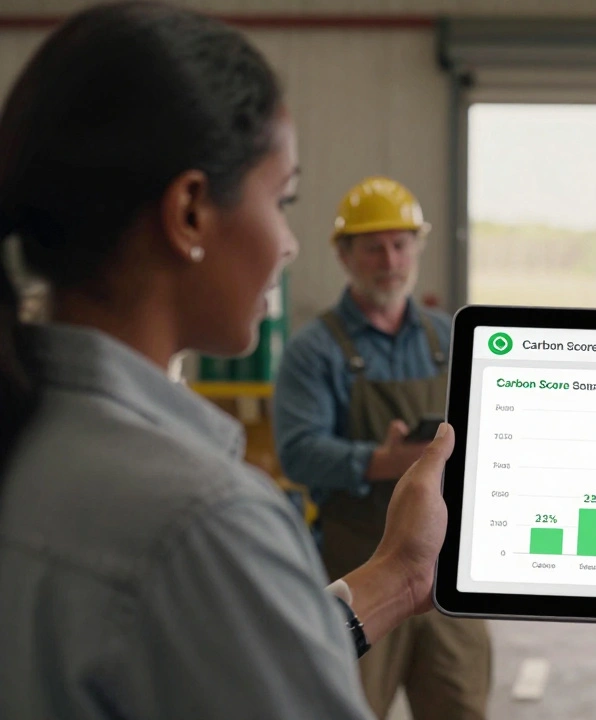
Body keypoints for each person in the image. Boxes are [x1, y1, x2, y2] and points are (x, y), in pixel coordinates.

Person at [0, 4, 456, 718]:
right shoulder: (206, 521)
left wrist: (399, 576)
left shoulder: (33, 437)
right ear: (188, 213)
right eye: (283, 199)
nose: (288, 242)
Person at [273, 179, 491, 720]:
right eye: (372, 246)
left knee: (459, 706)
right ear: (344, 256)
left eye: (400, 244)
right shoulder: (314, 350)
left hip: (448, 577)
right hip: (361, 570)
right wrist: (385, 460)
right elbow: (298, 453)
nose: (389, 259)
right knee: (346, 707)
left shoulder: (452, 338)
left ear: (417, 247)